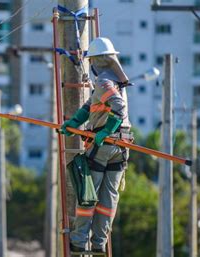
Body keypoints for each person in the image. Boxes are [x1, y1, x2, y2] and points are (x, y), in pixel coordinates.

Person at [60, 37, 132, 254]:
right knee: (108, 198)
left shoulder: (103, 82)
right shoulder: (115, 82)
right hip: (122, 146)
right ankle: (99, 243)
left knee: (88, 193)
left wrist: (104, 132)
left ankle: (80, 241)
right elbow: (91, 105)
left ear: (96, 62)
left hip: (105, 145)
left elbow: (117, 109)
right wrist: (73, 122)